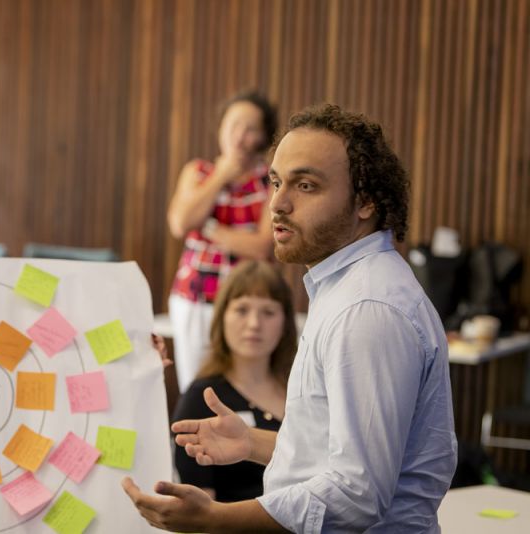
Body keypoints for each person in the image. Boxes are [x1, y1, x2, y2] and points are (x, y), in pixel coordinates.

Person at [123, 104, 457, 532]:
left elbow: (356, 495)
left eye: (306, 185)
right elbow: (338, 451)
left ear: (366, 202)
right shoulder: (345, 288)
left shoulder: (366, 309)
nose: (277, 204)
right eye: (276, 182)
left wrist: (215, 519)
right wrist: (252, 443)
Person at [167, 90, 278, 392]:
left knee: (240, 388)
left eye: (250, 127)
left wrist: (211, 228)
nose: (240, 135)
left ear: (263, 137)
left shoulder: (270, 180)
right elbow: (180, 223)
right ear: (220, 129)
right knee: (194, 386)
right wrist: (221, 176)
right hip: (195, 296)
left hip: (245, 301)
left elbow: (262, 247)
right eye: (233, 124)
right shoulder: (198, 172)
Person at [172, 260, 296, 502]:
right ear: (222, 317)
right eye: (242, 310)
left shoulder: (305, 388)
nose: (254, 324)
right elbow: (198, 515)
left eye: (268, 312)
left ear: (285, 324)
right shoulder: (202, 398)